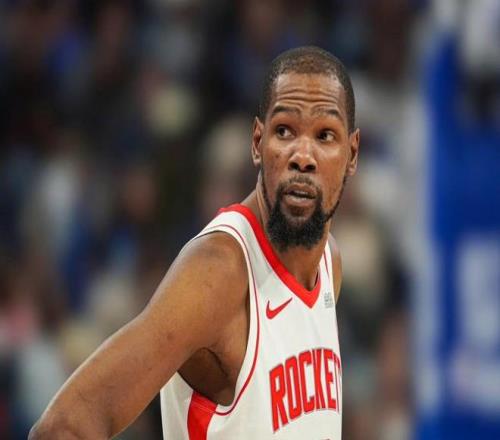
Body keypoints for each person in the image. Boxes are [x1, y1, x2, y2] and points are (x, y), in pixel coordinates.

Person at [29, 46, 360, 439]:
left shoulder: (328, 264)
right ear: (257, 142)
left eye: (325, 135)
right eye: (284, 131)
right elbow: (64, 426)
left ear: (352, 153)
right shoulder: (219, 271)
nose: (302, 156)